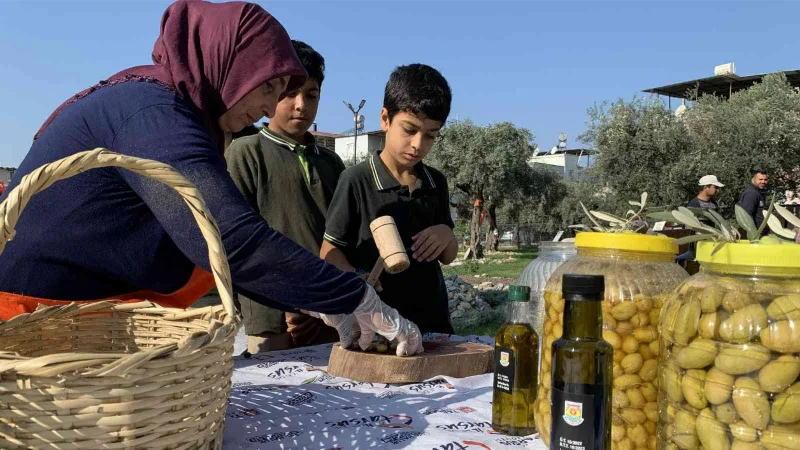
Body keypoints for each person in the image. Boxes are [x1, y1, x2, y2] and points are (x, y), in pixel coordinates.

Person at [0, 0, 421, 356]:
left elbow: (219, 252)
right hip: (35, 320)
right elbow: (226, 239)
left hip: (81, 318)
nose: (269, 104)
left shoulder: (184, 115)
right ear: (229, 63)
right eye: (268, 86)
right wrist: (349, 296)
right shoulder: (153, 114)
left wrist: (314, 299)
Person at [320, 64, 458, 335]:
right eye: (409, 130)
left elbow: (448, 256)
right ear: (385, 119)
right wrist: (353, 277)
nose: (418, 144)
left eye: (430, 135)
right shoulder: (356, 180)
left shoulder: (435, 182)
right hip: (379, 326)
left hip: (433, 324)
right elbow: (329, 250)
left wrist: (446, 235)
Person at [226, 40, 343, 353]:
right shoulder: (245, 153)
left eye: (311, 94)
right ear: (271, 91)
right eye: (290, 93)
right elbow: (240, 243)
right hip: (271, 316)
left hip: (328, 313)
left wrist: (326, 300)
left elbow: (342, 239)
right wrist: (289, 303)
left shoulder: (331, 163)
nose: (301, 104)